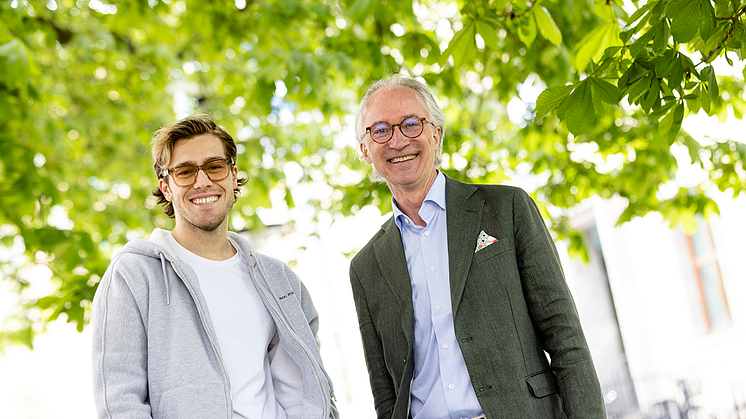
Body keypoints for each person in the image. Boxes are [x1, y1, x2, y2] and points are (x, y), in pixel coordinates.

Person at [348, 75, 606, 419]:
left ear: (436, 134)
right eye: (380, 130)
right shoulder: (366, 267)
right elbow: (385, 393)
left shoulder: (506, 209)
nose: (397, 140)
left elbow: (565, 338)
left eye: (411, 124)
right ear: (365, 149)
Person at [91, 116, 338, 419]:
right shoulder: (133, 276)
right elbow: (119, 402)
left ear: (233, 176)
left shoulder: (280, 281)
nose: (203, 181)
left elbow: (305, 390)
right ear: (166, 187)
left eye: (214, 166)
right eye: (184, 171)